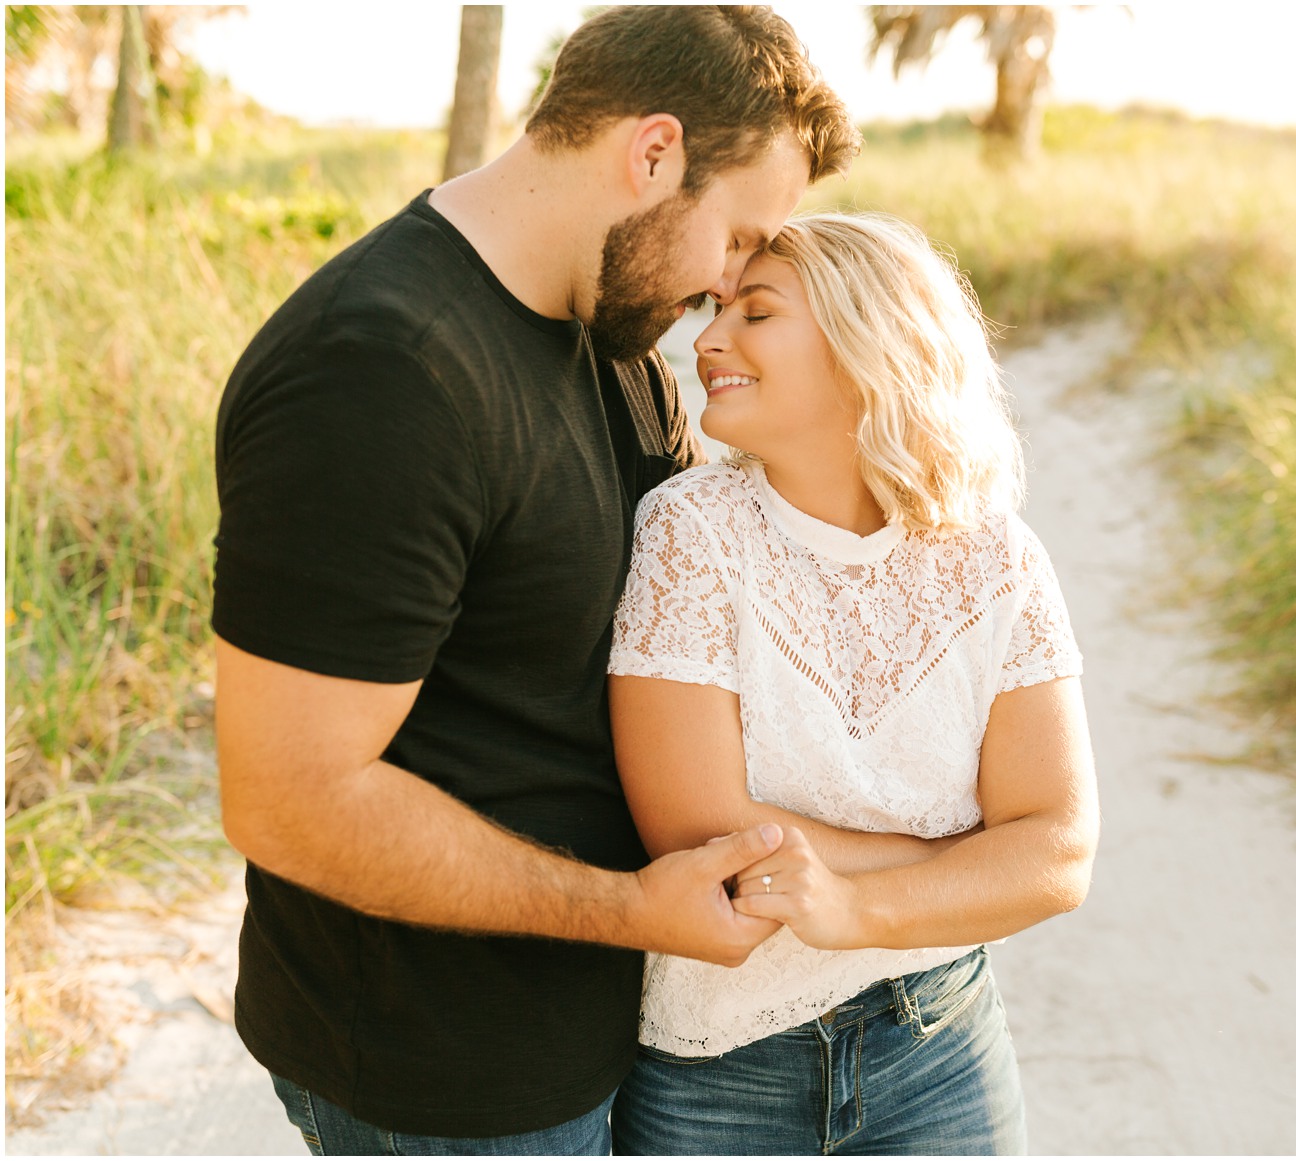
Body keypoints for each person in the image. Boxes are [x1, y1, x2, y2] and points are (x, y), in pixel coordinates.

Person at [210, 6, 860, 1154]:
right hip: (444, 1076)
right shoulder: (379, 374)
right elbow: (290, 801)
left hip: (600, 1028)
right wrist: (624, 911)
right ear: (652, 152)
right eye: (739, 236)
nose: (728, 284)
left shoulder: (612, 347)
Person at [607, 211, 1100, 1155]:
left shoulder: (997, 558)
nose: (707, 339)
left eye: (756, 313)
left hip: (939, 1044)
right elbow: (699, 828)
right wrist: (964, 859)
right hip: (722, 1070)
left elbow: (1058, 853)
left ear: (864, 338)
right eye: (717, 312)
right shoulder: (690, 530)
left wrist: (855, 905)